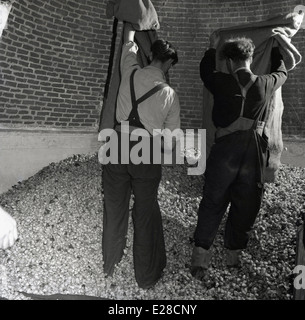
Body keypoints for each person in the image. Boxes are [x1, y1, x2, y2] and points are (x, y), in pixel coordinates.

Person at [190, 33, 288, 279]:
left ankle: (200, 259)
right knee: (247, 203)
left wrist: (211, 49)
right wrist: (276, 49)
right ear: (251, 58)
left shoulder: (220, 81)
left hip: (225, 150)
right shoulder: (266, 83)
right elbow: (282, 73)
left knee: (213, 201)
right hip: (253, 150)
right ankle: (233, 258)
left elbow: (205, 71)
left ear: (230, 61)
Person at [101, 22, 180, 289]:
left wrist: (132, 25)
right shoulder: (169, 94)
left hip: (116, 142)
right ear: (168, 63)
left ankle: (110, 263)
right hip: (145, 149)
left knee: (114, 206)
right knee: (145, 211)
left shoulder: (130, 70)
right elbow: (170, 142)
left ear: (152, 56)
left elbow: (129, 44)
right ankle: (145, 277)